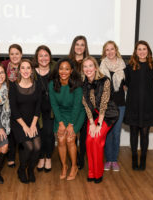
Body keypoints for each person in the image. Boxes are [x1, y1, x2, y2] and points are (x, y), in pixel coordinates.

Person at [82, 56, 119, 183]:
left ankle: (98, 173)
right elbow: (86, 105)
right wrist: (92, 122)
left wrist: (98, 124)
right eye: (85, 66)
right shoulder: (83, 83)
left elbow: (104, 104)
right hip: (93, 115)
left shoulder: (105, 80)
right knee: (88, 140)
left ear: (95, 67)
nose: (88, 69)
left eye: (90, 66)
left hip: (107, 114)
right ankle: (91, 172)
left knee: (97, 139)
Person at [49, 57, 85, 181]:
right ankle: (64, 166)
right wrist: (60, 123)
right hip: (61, 114)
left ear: (71, 71)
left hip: (76, 114)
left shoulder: (77, 85)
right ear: (57, 70)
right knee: (61, 139)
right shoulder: (52, 84)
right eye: (61, 69)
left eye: (67, 69)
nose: (63, 71)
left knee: (70, 139)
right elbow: (54, 105)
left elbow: (77, 107)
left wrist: (71, 124)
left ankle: (74, 166)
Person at [124, 40, 153, 170]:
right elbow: (126, 84)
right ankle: (134, 159)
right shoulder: (130, 66)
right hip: (133, 104)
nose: (142, 51)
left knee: (144, 133)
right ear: (136, 52)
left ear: (148, 51)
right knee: (133, 133)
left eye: (144, 49)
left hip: (148, 105)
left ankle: (143, 159)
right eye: (139, 49)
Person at [9, 59, 41, 183]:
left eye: (28, 68)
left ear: (32, 70)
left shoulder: (37, 84)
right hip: (18, 122)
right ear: (19, 70)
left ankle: (30, 170)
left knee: (37, 147)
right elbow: (14, 109)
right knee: (28, 146)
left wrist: (33, 125)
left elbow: (38, 106)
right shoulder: (13, 85)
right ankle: (21, 169)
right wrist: (24, 127)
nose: (26, 70)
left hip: (33, 121)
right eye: (23, 68)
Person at [100, 41, 126, 171]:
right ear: (104, 52)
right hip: (106, 106)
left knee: (116, 133)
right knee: (107, 133)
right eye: (107, 50)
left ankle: (114, 160)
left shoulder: (123, 66)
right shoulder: (101, 67)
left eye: (112, 49)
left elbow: (128, 84)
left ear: (116, 50)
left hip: (120, 104)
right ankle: (108, 159)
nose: (110, 52)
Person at [33, 45, 56, 172]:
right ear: (37, 57)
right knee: (39, 134)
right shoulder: (32, 71)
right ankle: (41, 157)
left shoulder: (55, 70)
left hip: (52, 109)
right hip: (37, 110)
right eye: (41, 55)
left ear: (50, 57)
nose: (43, 58)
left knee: (49, 134)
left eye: (46, 55)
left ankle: (48, 157)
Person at [68, 35, 89, 169]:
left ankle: (81, 159)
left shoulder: (89, 62)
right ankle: (73, 159)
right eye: (77, 44)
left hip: (86, 103)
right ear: (73, 46)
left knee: (84, 133)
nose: (79, 47)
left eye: (82, 44)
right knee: (72, 133)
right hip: (71, 103)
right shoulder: (68, 62)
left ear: (85, 47)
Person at [2, 44, 23, 168]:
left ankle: (22, 157)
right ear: (9, 55)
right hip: (6, 104)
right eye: (12, 54)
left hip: (22, 103)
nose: (14, 56)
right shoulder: (4, 66)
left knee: (20, 131)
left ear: (21, 54)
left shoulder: (26, 66)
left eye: (17, 53)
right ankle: (10, 157)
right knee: (9, 131)